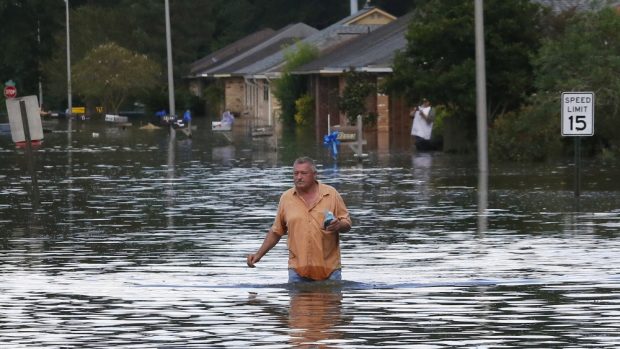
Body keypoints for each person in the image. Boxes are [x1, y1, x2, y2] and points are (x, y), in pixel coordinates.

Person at [247, 156, 352, 282]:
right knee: (298, 301)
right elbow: (276, 232)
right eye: (295, 173)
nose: (299, 177)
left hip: (330, 270)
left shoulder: (331, 194)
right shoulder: (286, 198)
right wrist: (258, 255)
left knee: (330, 301)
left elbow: (347, 223)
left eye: (304, 173)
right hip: (297, 271)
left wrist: (339, 225)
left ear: (314, 175)